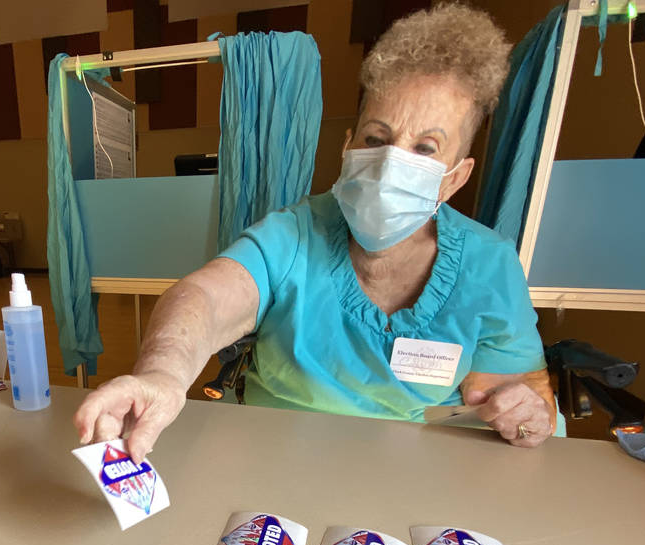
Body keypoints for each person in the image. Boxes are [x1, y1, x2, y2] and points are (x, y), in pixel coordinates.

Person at [75, 2, 555, 462]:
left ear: (456, 177)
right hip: (272, 459)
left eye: (425, 148)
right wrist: (161, 375)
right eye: (376, 138)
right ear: (349, 147)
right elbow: (204, 297)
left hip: (413, 472)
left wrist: (528, 414)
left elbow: (519, 394)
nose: (391, 162)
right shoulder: (296, 234)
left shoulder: (488, 264)